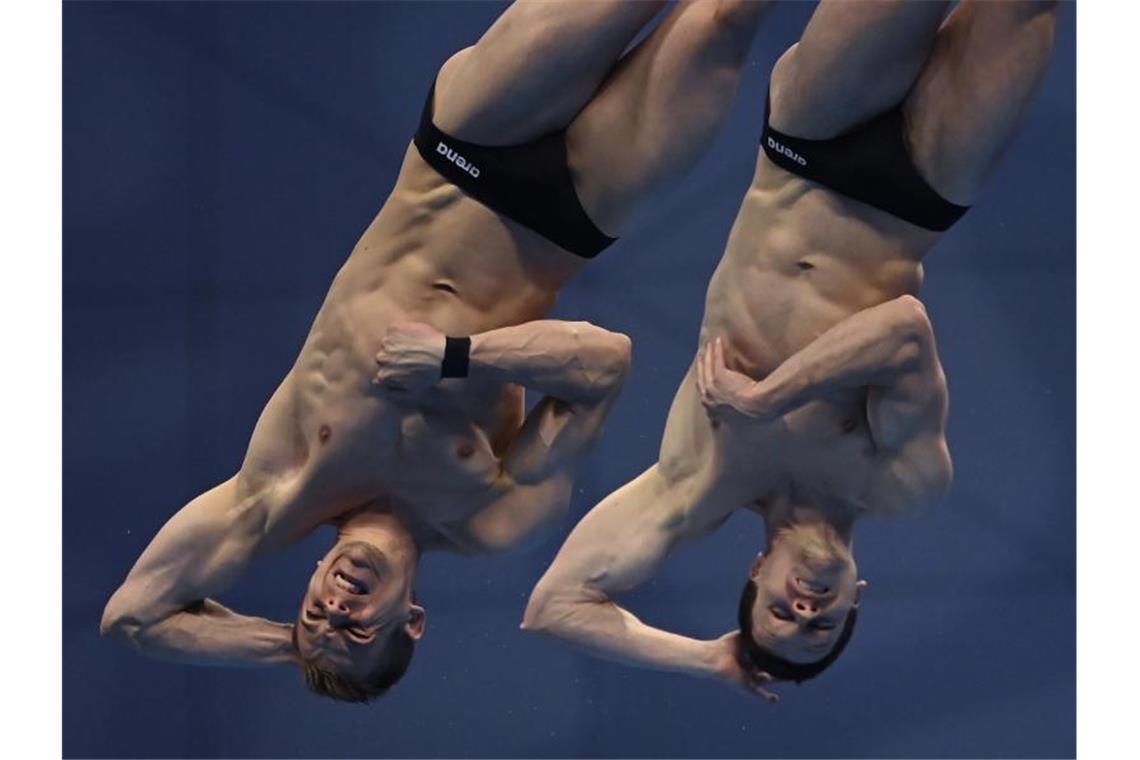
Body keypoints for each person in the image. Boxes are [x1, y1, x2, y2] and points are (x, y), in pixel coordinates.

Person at [100, 0, 773, 703]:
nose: (336, 607)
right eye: (356, 628)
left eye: (314, 615)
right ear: (412, 619)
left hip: (464, 150)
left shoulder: (280, 489)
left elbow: (134, 618)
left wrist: (293, 650)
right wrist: (458, 356)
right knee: (726, 19)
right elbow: (604, 362)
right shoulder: (491, 517)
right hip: (579, 211)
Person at [523, 0, 1059, 703]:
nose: (806, 606)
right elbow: (904, 330)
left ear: (757, 572)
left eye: (781, 612)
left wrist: (708, 658)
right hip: (925, 192)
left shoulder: (700, 480)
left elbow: (552, 607)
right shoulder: (902, 484)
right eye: (820, 625)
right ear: (855, 600)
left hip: (809, 146)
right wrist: (768, 396)